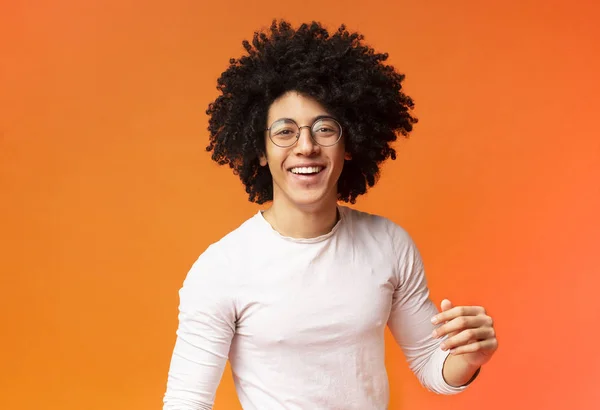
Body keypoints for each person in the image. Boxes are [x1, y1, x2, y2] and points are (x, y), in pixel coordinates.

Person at [163, 20, 498, 410]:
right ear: (259, 151)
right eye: (285, 131)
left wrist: (471, 356)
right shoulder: (221, 268)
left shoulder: (388, 244)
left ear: (350, 143)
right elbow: (187, 401)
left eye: (324, 129)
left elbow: (430, 362)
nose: (306, 147)